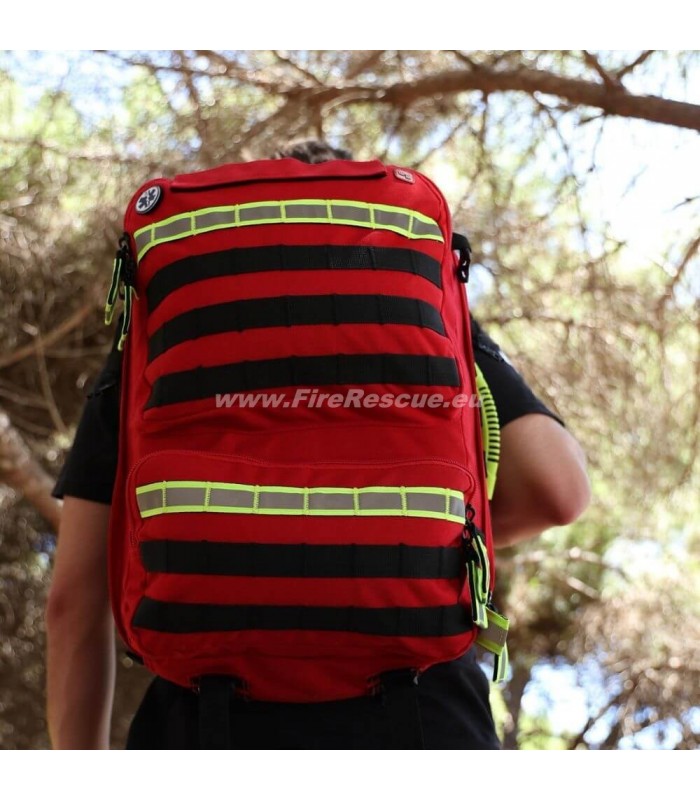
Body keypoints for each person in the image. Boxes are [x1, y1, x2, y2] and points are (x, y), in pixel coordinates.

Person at [45, 140, 590, 749]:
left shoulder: (167, 327)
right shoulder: (420, 309)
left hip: (205, 727)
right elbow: (557, 490)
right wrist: (418, 549)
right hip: (422, 721)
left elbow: (74, 601)